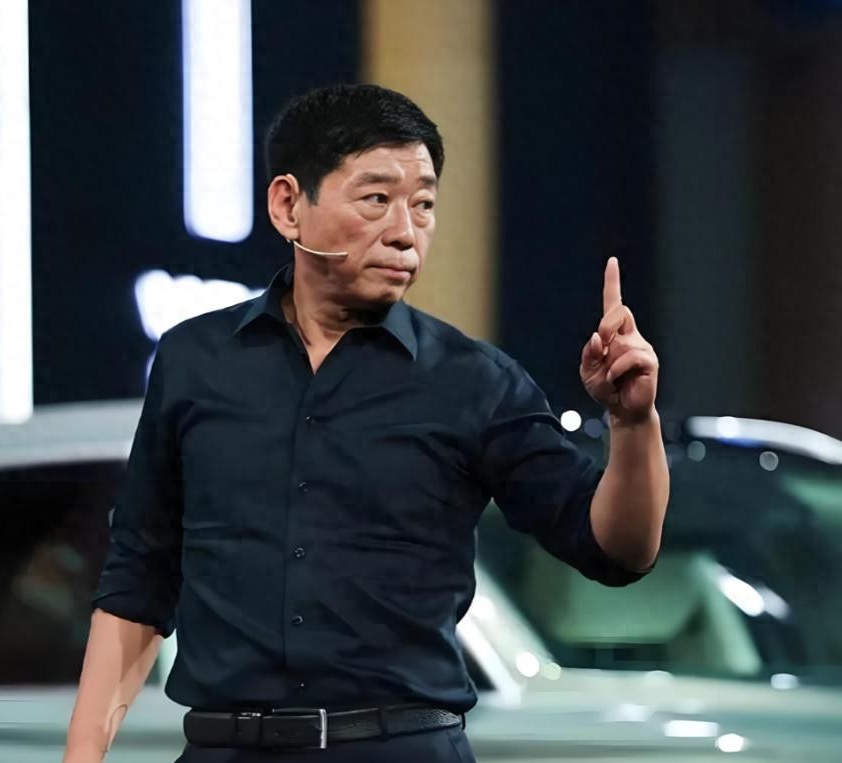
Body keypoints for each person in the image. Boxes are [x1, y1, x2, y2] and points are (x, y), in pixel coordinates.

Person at [63, 83, 668, 762]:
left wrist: (632, 423)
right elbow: (138, 580)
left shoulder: (475, 381)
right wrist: (82, 755)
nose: (406, 232)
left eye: (424, 205)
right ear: (289, 206)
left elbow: (616, 549)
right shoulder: (194, 361)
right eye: (376, 199)